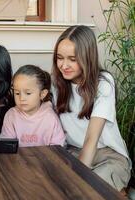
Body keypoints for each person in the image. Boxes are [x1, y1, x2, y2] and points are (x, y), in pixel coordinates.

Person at [51, 25, 131, 191]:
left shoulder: (103, 83)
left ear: (87, 57)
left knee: (86, 188)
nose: (64, 65)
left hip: (108, 156)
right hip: (72, 152)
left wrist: (76, 180)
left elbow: (91, 139)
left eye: (72, 59)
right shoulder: (56, 84)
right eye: (60, 57)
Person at [0, 65, 65, 147]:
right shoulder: (11, 115)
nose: (21, 98)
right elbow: (6, 145)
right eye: (17, 93)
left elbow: (57, 147)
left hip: (45, 159)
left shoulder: (50, 117)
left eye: (28, 93)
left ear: (42, 94)